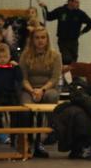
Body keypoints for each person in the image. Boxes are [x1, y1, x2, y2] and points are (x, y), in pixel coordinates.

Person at [19, 27, 63, 158]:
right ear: (32, 40)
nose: (40, 40)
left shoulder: (55, 56)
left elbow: (54, 79)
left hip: (48, 88)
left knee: (52, 96)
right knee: (26, 107)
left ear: (47, 39)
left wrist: (42, 90)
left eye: (43, 37)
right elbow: (23, 78)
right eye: (37, 38)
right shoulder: (25, 55)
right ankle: (27, 139)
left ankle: (49, 134)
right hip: (29, 88)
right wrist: (32, 90)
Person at [39, 0, 91, 65]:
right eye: (76, 2)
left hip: (74, 41)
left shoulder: (80, 13)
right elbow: (48, 17)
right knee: (66, 59)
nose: (78, 4)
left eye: (79, 2)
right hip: (63, 41)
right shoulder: (61, 10)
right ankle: (65, 70)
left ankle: (70, 72)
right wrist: (44, 8)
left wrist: (82, 32)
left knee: (73, 60)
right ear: (70, 2)